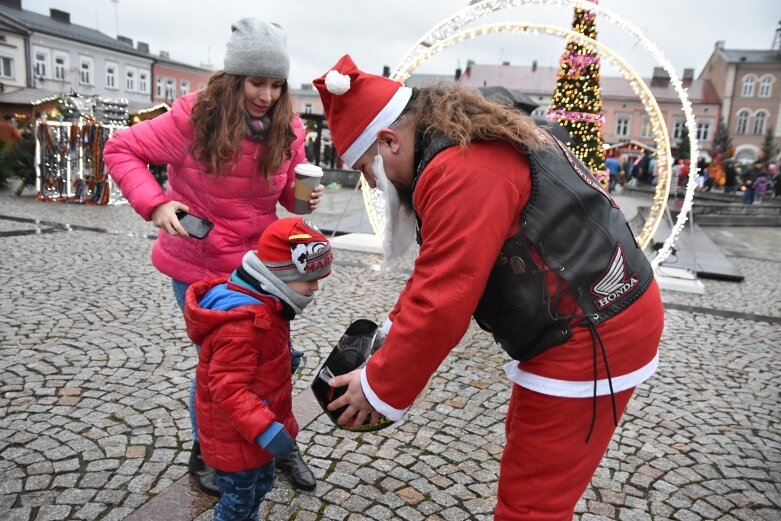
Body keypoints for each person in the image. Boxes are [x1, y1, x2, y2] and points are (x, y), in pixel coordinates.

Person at [313, 55, 664, 520]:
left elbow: (444, 297)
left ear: (389, 141)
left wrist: (377, 387)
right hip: (580, 319)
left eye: (367, 170)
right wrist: (391, 332)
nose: (374, 186)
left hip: (589, 335)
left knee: (531, 502)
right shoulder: (459, 147)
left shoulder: (458, 170)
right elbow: (437, 270)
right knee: (527, 445)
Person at [103, 18, 322, 495]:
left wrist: (305, 200)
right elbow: (120, 149)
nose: (266, 94)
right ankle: (206, 449)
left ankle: (280, 442)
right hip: (201, 266)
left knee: (274, 362)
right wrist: (157, 202)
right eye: (255, 82)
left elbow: (287, 196)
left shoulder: (289, 127)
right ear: (233, 78)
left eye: (275, 84)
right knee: (223, 368)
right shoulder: (192, 119)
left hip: (264, 273)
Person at [184, 217, 333, 520]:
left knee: (260, 487)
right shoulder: (244, 325)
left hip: (258, 436)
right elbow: (227, 388)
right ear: (279, 277)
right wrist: (266, 429)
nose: (316, 287)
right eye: (311, 280)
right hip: (241, 440)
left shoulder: (268, 303)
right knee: (237, 504)